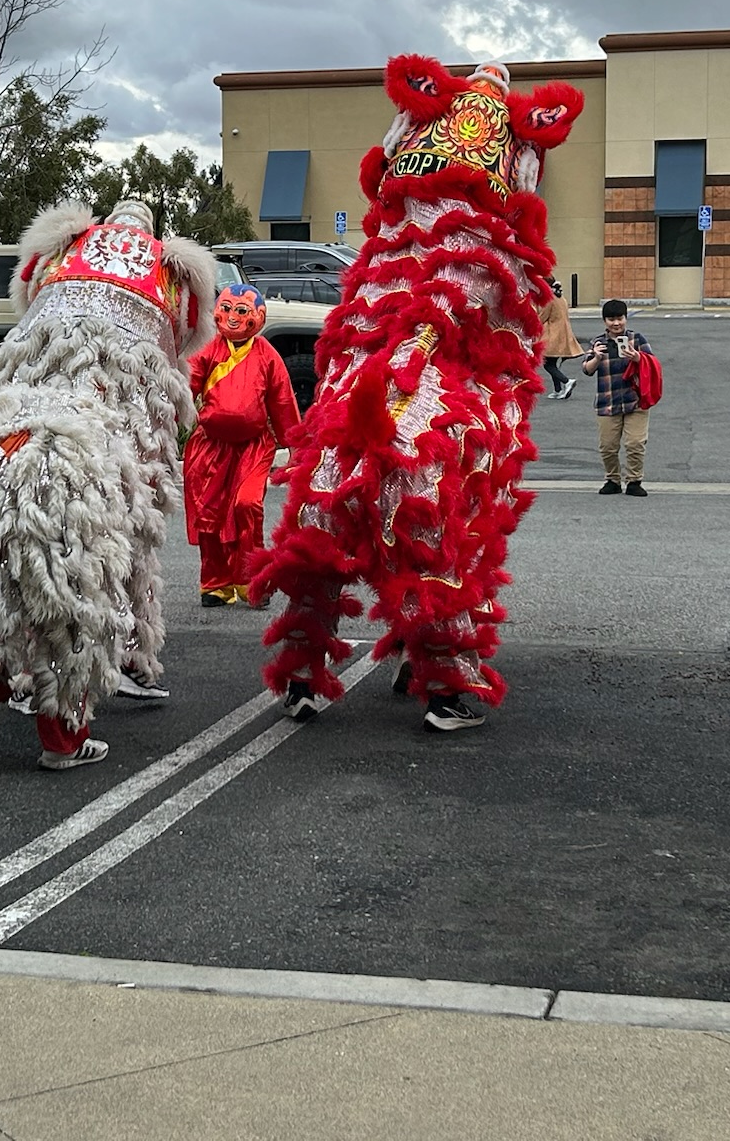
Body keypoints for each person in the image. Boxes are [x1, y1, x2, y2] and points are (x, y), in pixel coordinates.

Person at [253, 55, 582, 733]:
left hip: (356, 400)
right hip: (420, 400)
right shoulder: (489, 249)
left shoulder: (385, 252)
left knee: (326, 512)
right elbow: (487, 314)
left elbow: (374, 322)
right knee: (442, 514)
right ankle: (444, 683)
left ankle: (308, 672)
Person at [0, 199, 215, 769]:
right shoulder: (171, 267)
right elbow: (183, 343)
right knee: (80, 587)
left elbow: (25, 292)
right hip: (97, 431)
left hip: (12, 424)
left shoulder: (69, 245)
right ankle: (64, 736)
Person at [185, 284, 299, 609]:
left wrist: (295, 448)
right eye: (227, 309)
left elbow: (282, 402)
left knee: (247, 505)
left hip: (253, 447)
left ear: (257, 316)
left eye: (241, 311)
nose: (233, 317)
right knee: (208, 514)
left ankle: (250, 580)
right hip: (210, 448)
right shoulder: (207, 349)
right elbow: (184, 389)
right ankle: (216, 584)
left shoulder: (267, 354)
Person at [582, 300, 650, 496]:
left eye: (620, 318)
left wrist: (637, 358)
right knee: (608, 447)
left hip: (635, 400)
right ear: (604, 321)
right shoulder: (598, 342)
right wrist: (597, 357)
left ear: (626, 318)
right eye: (611, 319)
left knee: (635, 443)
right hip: (607, 401)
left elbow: (652, 363)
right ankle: (612, 480)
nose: (616, 323)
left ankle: (634, 481)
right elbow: (586, 369)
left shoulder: (637, 339)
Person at [537, 279, 581, 398]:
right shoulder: (561, 298)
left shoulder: (549, 299)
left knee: (548, 364)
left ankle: (567, 381)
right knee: (552, 363)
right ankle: (558, 390)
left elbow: (542, 317)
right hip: (562, 334)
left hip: (552, 335)